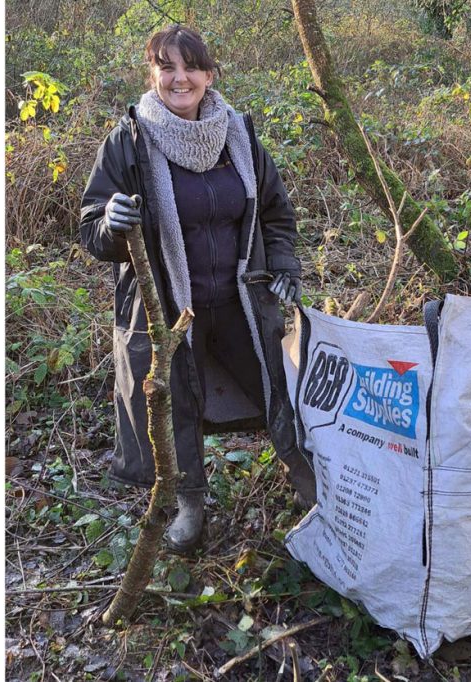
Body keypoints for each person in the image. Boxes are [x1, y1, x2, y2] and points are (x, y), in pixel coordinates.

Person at [79, 24, 316, 553]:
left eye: (190, 67)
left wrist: (282, 264)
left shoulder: (240, 136)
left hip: (240, 301)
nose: (179, 78)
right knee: (175, 401)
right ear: (154, 75)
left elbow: (276, 211)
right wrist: (112, 224)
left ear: (209, 75)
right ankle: (189, 502)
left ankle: (308, 481)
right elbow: (90, 229)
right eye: (167, 67)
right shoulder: (130, 140)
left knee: (277, 385)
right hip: (167, 307)